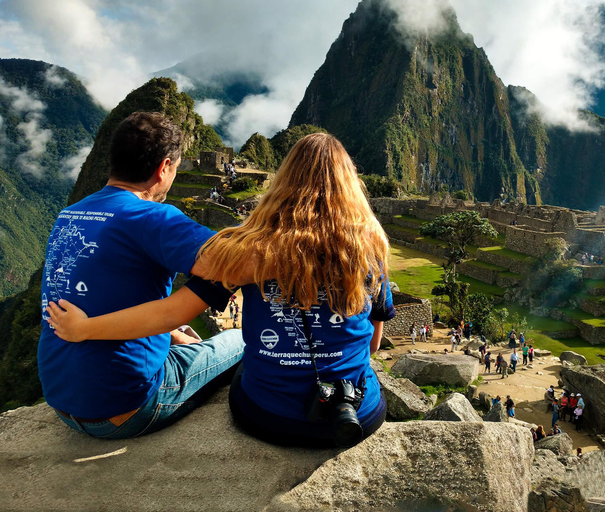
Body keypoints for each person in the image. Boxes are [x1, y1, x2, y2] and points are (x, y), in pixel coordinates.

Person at [48, 133, 394, 449]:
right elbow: (374, 344)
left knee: (243, 348)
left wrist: (85, 329)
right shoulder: (371, 251)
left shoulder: (249, 253)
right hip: (356, 414)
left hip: (268, 418)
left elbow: (174, 311)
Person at [40, 112, 245, 439]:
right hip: (129, 407)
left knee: (183, 336)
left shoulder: (70, 214)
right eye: (175, 169)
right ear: (164, 167)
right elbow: (233, 261)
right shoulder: (152, 216)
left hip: (65, 403)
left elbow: (109, 291)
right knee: (241, 339)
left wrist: (173, 334)